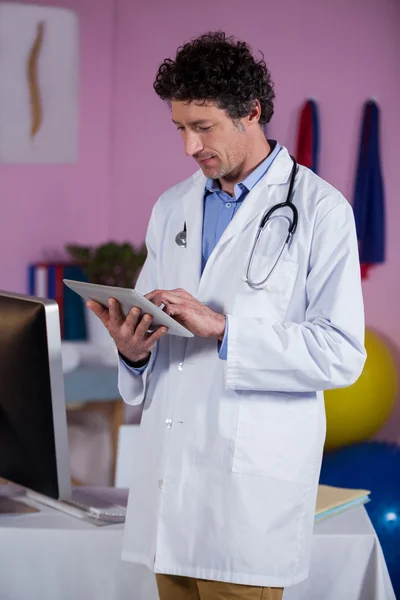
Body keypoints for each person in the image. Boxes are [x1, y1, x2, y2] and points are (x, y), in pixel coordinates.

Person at [89, 31, 366, 600]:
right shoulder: (173, 207)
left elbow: (342, 353)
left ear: (251, 113)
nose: (190, 147)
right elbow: (153, 323)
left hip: (246, 508)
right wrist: (132, 348)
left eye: (203, 127)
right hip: (171, 495)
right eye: (180, 129)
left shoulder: (321, 211)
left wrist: (225, 331)